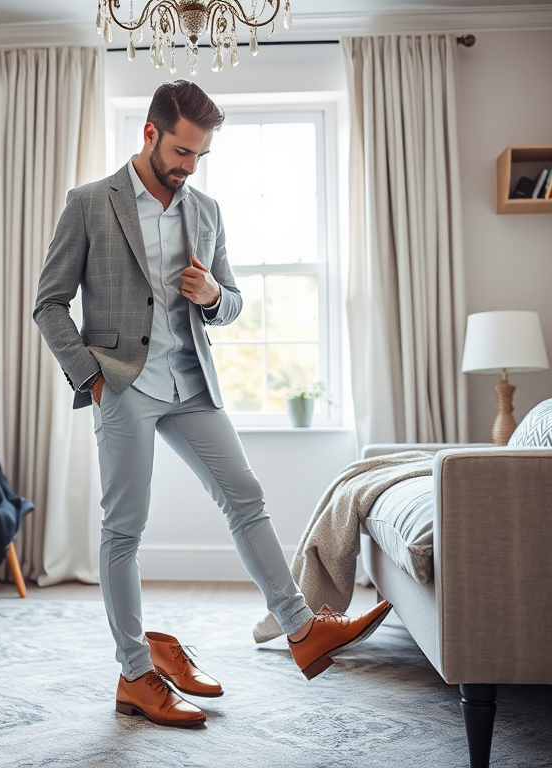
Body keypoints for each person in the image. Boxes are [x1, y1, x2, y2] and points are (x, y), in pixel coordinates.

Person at [33, 80, 391, 729]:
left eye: (199, 155)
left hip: (193, 382)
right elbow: (48, 302)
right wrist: (90, 376)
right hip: (124, 382)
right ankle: (137, 673)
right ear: (150, 134)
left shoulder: (206, 210)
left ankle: (300, 628)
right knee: (124, 531)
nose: (188, 165)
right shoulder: (89, 202)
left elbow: (232, 303)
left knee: (245, 497)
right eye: (181, 151)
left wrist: (211, 295)